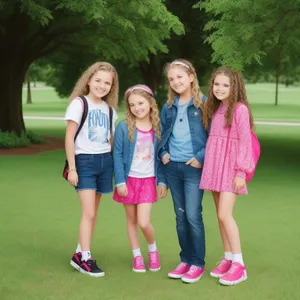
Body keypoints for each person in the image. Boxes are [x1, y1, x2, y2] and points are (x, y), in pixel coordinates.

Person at [200, 67, 255, 285]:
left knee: (225, 215)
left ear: (235, 87)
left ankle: (240, 265)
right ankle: (228, 257)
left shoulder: (239, 109)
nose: (220, 88)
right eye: (217, 84)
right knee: (219, 215)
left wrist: (241, 171)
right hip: (215, 167)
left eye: (225, 85)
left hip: (231, 169)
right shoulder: (216, 108)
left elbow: (245, 141)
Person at [64, 62, 119, 277]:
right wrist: (73, 168)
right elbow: (69, 137)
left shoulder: (110, 110)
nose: (102, 85)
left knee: (93, 213)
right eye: (98, 80)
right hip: (84, 162)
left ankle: (79, 253)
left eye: (107, 83)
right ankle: (85, 257)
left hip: (105, 161)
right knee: (88, 213)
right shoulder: (79, 104)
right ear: (88, 80)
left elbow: (111, 139)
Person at [158, 59, 208, 283]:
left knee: (193, 216)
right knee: (180, 216)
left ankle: (198, 263)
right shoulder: (168, 107)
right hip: (172, 168)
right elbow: (160, 138)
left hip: (193, 169)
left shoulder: (205, 104)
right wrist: (162, 153)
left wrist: (200, 157)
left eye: (179, 76)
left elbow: (215, 138)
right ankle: (185, 260)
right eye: (171, 79)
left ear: (191, 76)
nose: (176, 81)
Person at [113, 84, 168, 273]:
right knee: (131, 221)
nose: (137, 108)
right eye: (132, 105)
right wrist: (120, 181)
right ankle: (137, 256)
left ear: (150, 103)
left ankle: (153, 250)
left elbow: (161, 155)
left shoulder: (158, 127)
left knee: (144, 221)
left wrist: (162, 181)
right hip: (128, 181)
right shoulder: (124, 126)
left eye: (141, 103)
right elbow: (117, 155)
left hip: (148, 180)